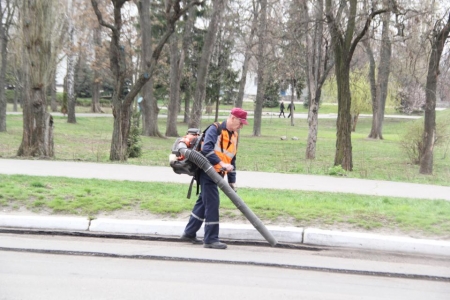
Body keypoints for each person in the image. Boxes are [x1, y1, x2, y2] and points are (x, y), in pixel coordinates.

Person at [180, 107, 249, 249]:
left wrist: (232, 180)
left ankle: (189, 232)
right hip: (207, 171)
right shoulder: (215, 129)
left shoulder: (234, 135)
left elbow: (232, 158)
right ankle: (211, 239)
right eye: (240, 122)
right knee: (212, 203)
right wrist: (221, 163)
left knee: (203, 203)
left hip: (218, 173)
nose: (241, 126)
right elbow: (207, 150)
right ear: (232, 118)